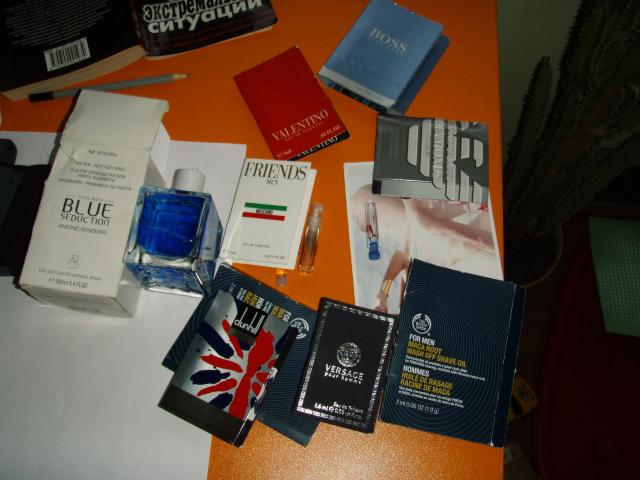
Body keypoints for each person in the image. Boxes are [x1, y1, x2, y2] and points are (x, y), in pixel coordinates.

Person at [350, 185, 500, 313]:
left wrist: (384, 293)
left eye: (378, 223)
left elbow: (478, 239)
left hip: (485, 214)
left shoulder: (416, 219)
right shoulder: (411, 217)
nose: (383, 230)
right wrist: (383, 293)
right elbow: (400, 258)